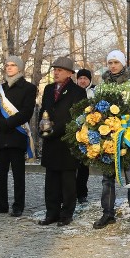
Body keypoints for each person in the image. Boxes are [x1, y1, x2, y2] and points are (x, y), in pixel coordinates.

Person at [92, 50, 130, 232]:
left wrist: (126, 129)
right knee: (107, 179)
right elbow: (95, 112)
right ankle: (108, 213)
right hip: (106, 140)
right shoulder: (101, 87)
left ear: (123, 63)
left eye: (116, 62)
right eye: (110, 63)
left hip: (126, 140)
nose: (113, 66)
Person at [38, 56, 87, 226]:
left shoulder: (78, 91)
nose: (56, 72)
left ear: (69, 73)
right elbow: (43, 111)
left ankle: (66, 214)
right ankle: (51, 213)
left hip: (67, 141)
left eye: (59, 70)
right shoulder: (49, 89)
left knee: (67, 181)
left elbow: (74, 118)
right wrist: (42, 126)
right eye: (54, 70)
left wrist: (53, 129)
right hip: (50, 141)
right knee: (51, 180)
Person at [0, 55, 37, 217]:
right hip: (2, 136)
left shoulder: (29, 88)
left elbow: (26, 112)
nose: (9, 68)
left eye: (12, 65)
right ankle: (0, 204)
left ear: (20, 68)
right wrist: (0, 123)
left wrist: (8, 123)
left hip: (17, 134)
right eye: (7, 65)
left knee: (18, 174)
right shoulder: (0, 89)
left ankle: (18, 205)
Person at [74, 67, 95, 203]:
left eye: (85, 78)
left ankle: (82, 193)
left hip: (87, 131)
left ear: (89, 80)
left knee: (83, 166)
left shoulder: (94, 92)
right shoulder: (73, 91)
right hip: (74, 131)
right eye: (80, 78)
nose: (82, 81)